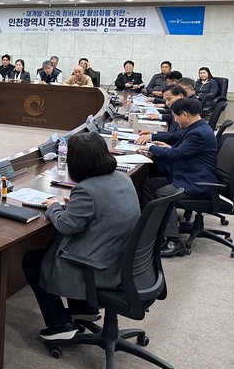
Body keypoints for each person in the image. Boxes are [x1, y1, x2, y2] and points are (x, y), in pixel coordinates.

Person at [22, 131, 140, 340]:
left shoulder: (86, 189)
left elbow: (66, 227)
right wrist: (74, 206)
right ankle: (83, 309)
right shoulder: (123, 178)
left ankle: (59, 324)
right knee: (52, 246)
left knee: (32, 260)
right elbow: (102, 210)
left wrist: (54, 206)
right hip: (122, 261)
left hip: (99, 269)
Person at [138, 98, 217, 257]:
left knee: (164, 193)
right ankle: (155, 229)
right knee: (149, 185)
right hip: (187, 174)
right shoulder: (197, 127)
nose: (174, 120)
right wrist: (168, 147)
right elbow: (184, 151)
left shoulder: (199, 133)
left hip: (196, 182)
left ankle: (173, 241)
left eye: (175, 116)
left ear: (185, 115)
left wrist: (152, 148)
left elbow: (177, 154)